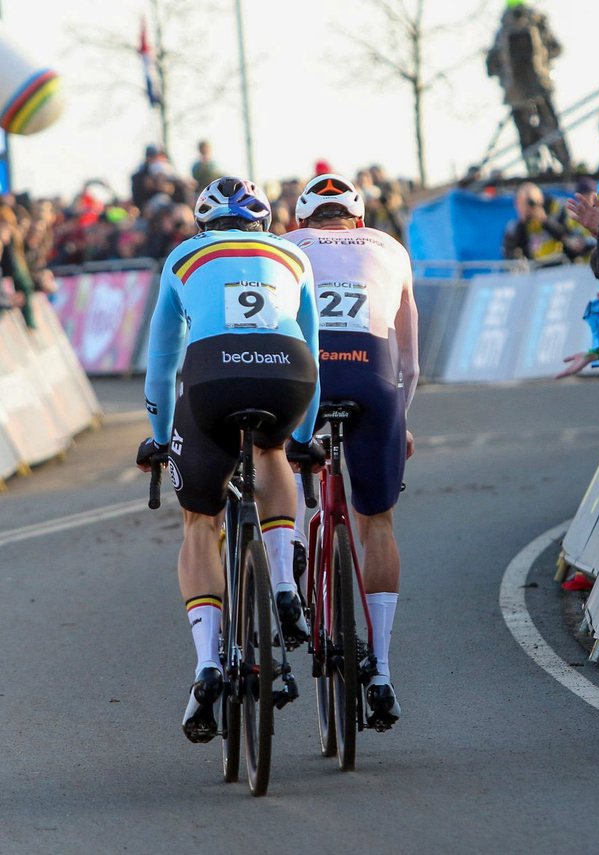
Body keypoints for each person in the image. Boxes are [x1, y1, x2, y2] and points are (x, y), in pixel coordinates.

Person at [135, 177, 321, 743]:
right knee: (274, 453)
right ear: (262, 223)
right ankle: (286, 585)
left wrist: (159, 436)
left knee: (200, 520)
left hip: (211, 378)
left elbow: (162, 363)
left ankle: (208, 664)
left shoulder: (182, 257)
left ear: (201, 224)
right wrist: (304, 436)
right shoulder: (293, 254)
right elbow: (313, 348)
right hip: (289, 371)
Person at [285, 173, 418, 729]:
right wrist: (399, 420)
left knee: (281, 458)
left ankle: (288, 548)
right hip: (374, 382)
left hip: (307, 381)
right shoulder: (390, 247)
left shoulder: (287, 248)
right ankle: (382, 670)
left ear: (302, 222)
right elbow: (411, 363)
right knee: (377, 524)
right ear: (358, 221)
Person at [485, 0, 571, 174]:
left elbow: (492, 63)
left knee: (531, 133)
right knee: (550, 128)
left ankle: (538, 167)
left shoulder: (504, 30)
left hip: (518, 91)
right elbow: (556, 48)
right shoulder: (536, 23)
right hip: (537, 87)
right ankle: (564, 164)